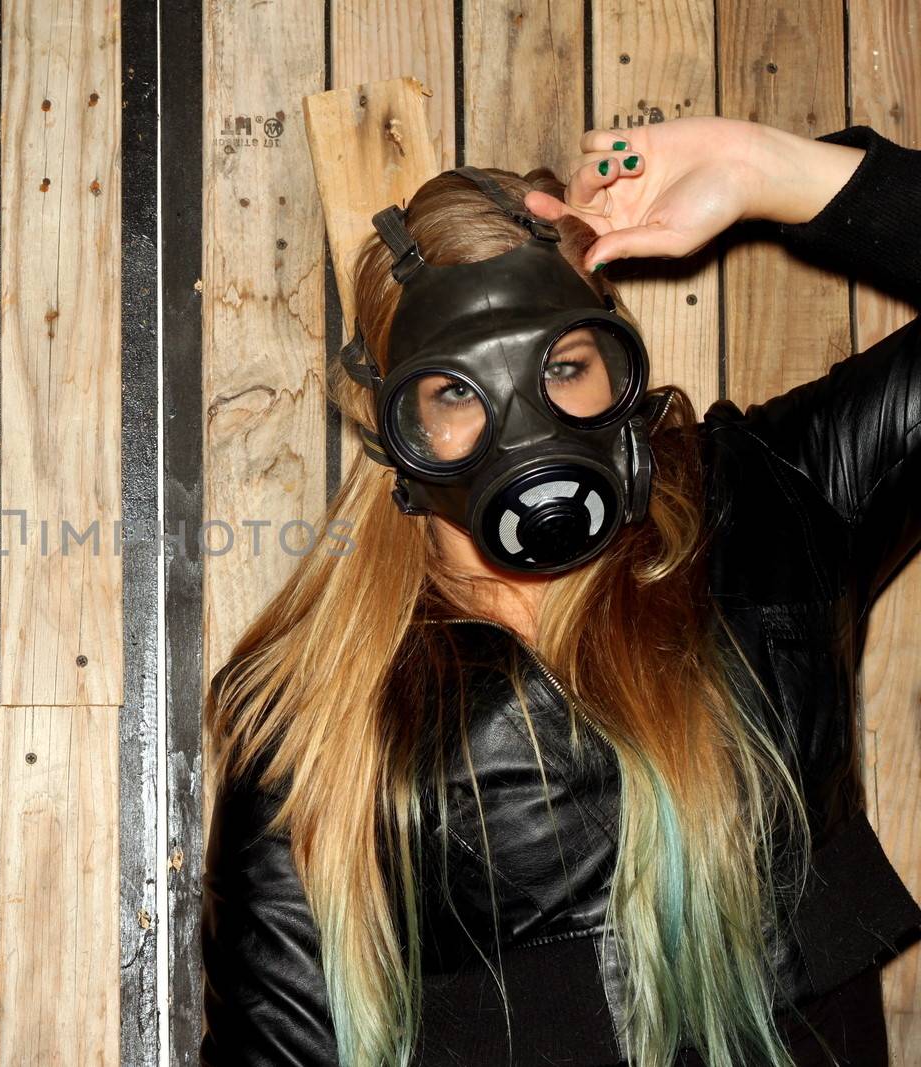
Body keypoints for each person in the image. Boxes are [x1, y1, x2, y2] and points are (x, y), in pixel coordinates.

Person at [200, 115, 921, 1067]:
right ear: (394, 426)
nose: (526, 426)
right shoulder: (316, 716)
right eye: (458, 390)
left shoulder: (771, 508)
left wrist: (777, 170)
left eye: (562, 367)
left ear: (618, 364)